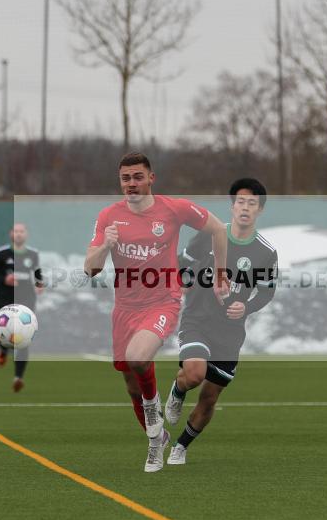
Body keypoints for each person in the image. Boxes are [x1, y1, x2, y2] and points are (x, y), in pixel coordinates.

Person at [84, 152, 228, 473]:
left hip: (162, 301)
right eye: (126, 178)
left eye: (138, 177)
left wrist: (220, 274)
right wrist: (106, 246)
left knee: (138, 357)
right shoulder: (108, 216)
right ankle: (159, 436)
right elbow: (90, 269)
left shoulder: (173, 209)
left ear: (151, 178)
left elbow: (218, 229)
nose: (131, 184)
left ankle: (153, 420)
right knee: (132, 384)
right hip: (124, 309)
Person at [163, 178, 277, 466]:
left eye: (252, 203)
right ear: (232, 205)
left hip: (230, 331)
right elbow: (181, 263)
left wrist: (246, 306)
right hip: (197, 318)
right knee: (194, 374)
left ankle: (182, 446)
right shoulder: (209, 235)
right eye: (240, 201)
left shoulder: (266, 252)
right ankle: (177, 391)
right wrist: (183, 280)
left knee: (210, 398)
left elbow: (267, 290)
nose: (245, 208)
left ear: (260, 210)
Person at [0, 223, 44, 393]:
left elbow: (37, 272)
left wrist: (40, 284)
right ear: (11, 234)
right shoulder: (2, 253)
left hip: (26, 303)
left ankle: (18, 377)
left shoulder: (33, 254)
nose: (18, 234)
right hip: (5, 303)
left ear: (26, 235)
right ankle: (2, 350)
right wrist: (4, 279)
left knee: (23, 339)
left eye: (21, 232)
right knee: (3, 333)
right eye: (16, 231)